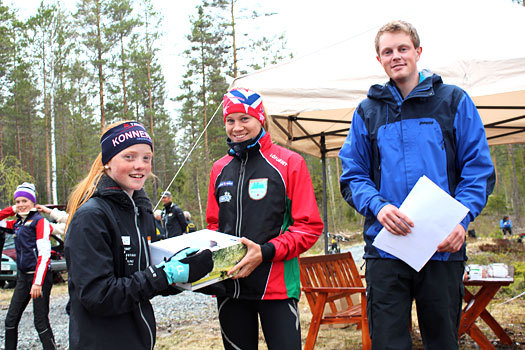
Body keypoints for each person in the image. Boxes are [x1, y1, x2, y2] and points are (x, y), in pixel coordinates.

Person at [339, 20, 495, 349]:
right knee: (388, 342)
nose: (396, 56)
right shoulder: (367, 111)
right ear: (379, 59)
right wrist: (378, 207)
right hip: (385, 251)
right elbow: (353, 173)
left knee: (442, 341)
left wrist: (461, 220)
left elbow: (477, 169)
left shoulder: (453, 101)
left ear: (417, 52)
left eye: (402, 48)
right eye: (387, 51)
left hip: (442, 249)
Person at [64, 120, 213, 350]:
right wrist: (164, 274)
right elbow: (98, 295)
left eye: (146, 158)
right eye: (129, 157)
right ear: (107, 162)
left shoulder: (140, 210)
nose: (140, 165)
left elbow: (142, 280)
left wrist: (184, 272)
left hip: (138, 339)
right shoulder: (91, 216)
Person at [206, 88, 324, 350]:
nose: (237, 127)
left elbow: (309, 227)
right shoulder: (219, 168)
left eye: (244, 119)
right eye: (230, 120)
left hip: (277, 287)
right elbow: (213, 226)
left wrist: (266, 252)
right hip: (231, 288)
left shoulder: (289, 163)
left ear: (260, 119)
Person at [0, 182, 57, 349]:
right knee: (10, 320)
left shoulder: (40, 222)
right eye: (18, 202)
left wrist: (37, 282)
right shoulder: (17, 224)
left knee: (40, 322)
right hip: (23, 277)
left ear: (33, 202)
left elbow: (44, 254)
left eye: (25, 201)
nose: (21, 205)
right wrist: (12, 209)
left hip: (39, 278)